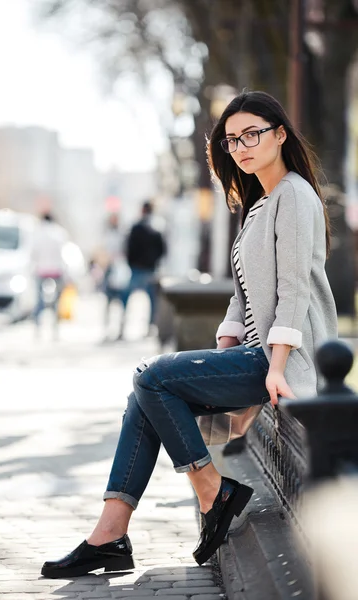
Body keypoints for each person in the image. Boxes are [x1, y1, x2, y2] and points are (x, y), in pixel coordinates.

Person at [41, 91, 337, 578]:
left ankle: (210, 492)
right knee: (145, 397)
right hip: (254, 352)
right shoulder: (261, 203)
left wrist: (278, 367)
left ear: (280, 134)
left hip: (282, 358)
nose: (241, 146)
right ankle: (110, 535)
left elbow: (293, 291)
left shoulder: (295, 196)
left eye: (252, 134)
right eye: (231, 139)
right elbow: (243, 296)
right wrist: (222, 349)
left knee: (151, 377)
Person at [119, 201, 166, 339]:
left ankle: (122, 327)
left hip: (136, 269)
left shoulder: (136, 227)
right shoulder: (157, 228)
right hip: (150, 269)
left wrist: (131, 262)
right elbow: (163, 250)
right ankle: (150, 327)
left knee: (126, 298)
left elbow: (129, 248)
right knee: (152, 301)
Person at [32, 212, 69, 332]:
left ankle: (38, 327)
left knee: (39, 301)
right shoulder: (59, 233)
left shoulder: (37, 233)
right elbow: (64, 253)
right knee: (56, 302)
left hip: (41, 270)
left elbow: (33, 253)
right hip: (56, 270)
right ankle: (55, 328)